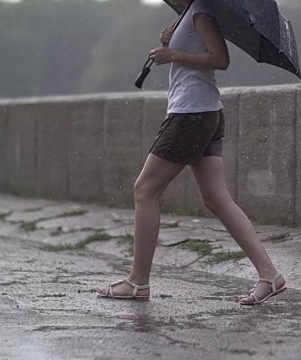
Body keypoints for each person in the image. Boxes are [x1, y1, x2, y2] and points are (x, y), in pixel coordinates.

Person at [96, 0, 286, 305]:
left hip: (191, 114)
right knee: (217, 199)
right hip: (205, 111)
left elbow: (220, 59)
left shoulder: (200, 12)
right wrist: (170, 43)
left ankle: (137, 282)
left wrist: (173, 54)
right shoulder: (190, 14)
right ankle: (270, 275)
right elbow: (199, 55)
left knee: (145, 190)